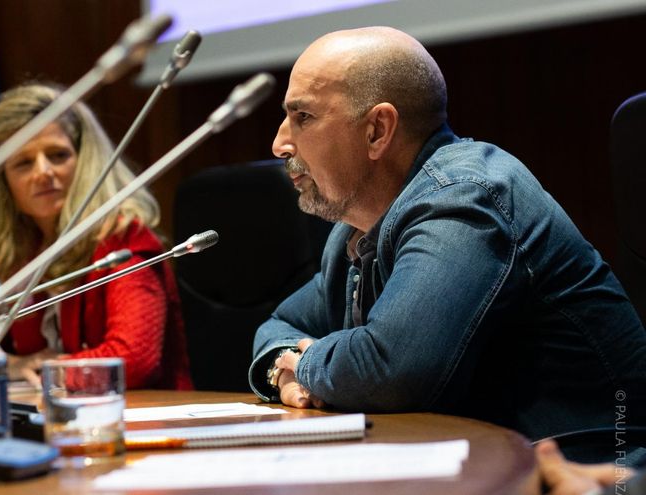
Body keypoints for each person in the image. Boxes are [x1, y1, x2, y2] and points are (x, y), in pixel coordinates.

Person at [248, 26, 646, 444]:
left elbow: (391, 370)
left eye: (303, 117)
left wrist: (306, 363)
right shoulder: (355, 232)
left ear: (377, 131)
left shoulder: (464, 199)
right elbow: (280, 325)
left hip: (598, 472)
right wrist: (283, 369)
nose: (280, 143)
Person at [0, 82, 192, 390]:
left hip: (142, 422)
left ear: (83, 162)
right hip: (54, 418)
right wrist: (12, 365)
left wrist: (46, 370)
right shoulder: (17, 252)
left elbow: (132, 361)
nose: (43, 172)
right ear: (2, 184)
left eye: (57, 155)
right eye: (24, 163)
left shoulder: (124, 239)